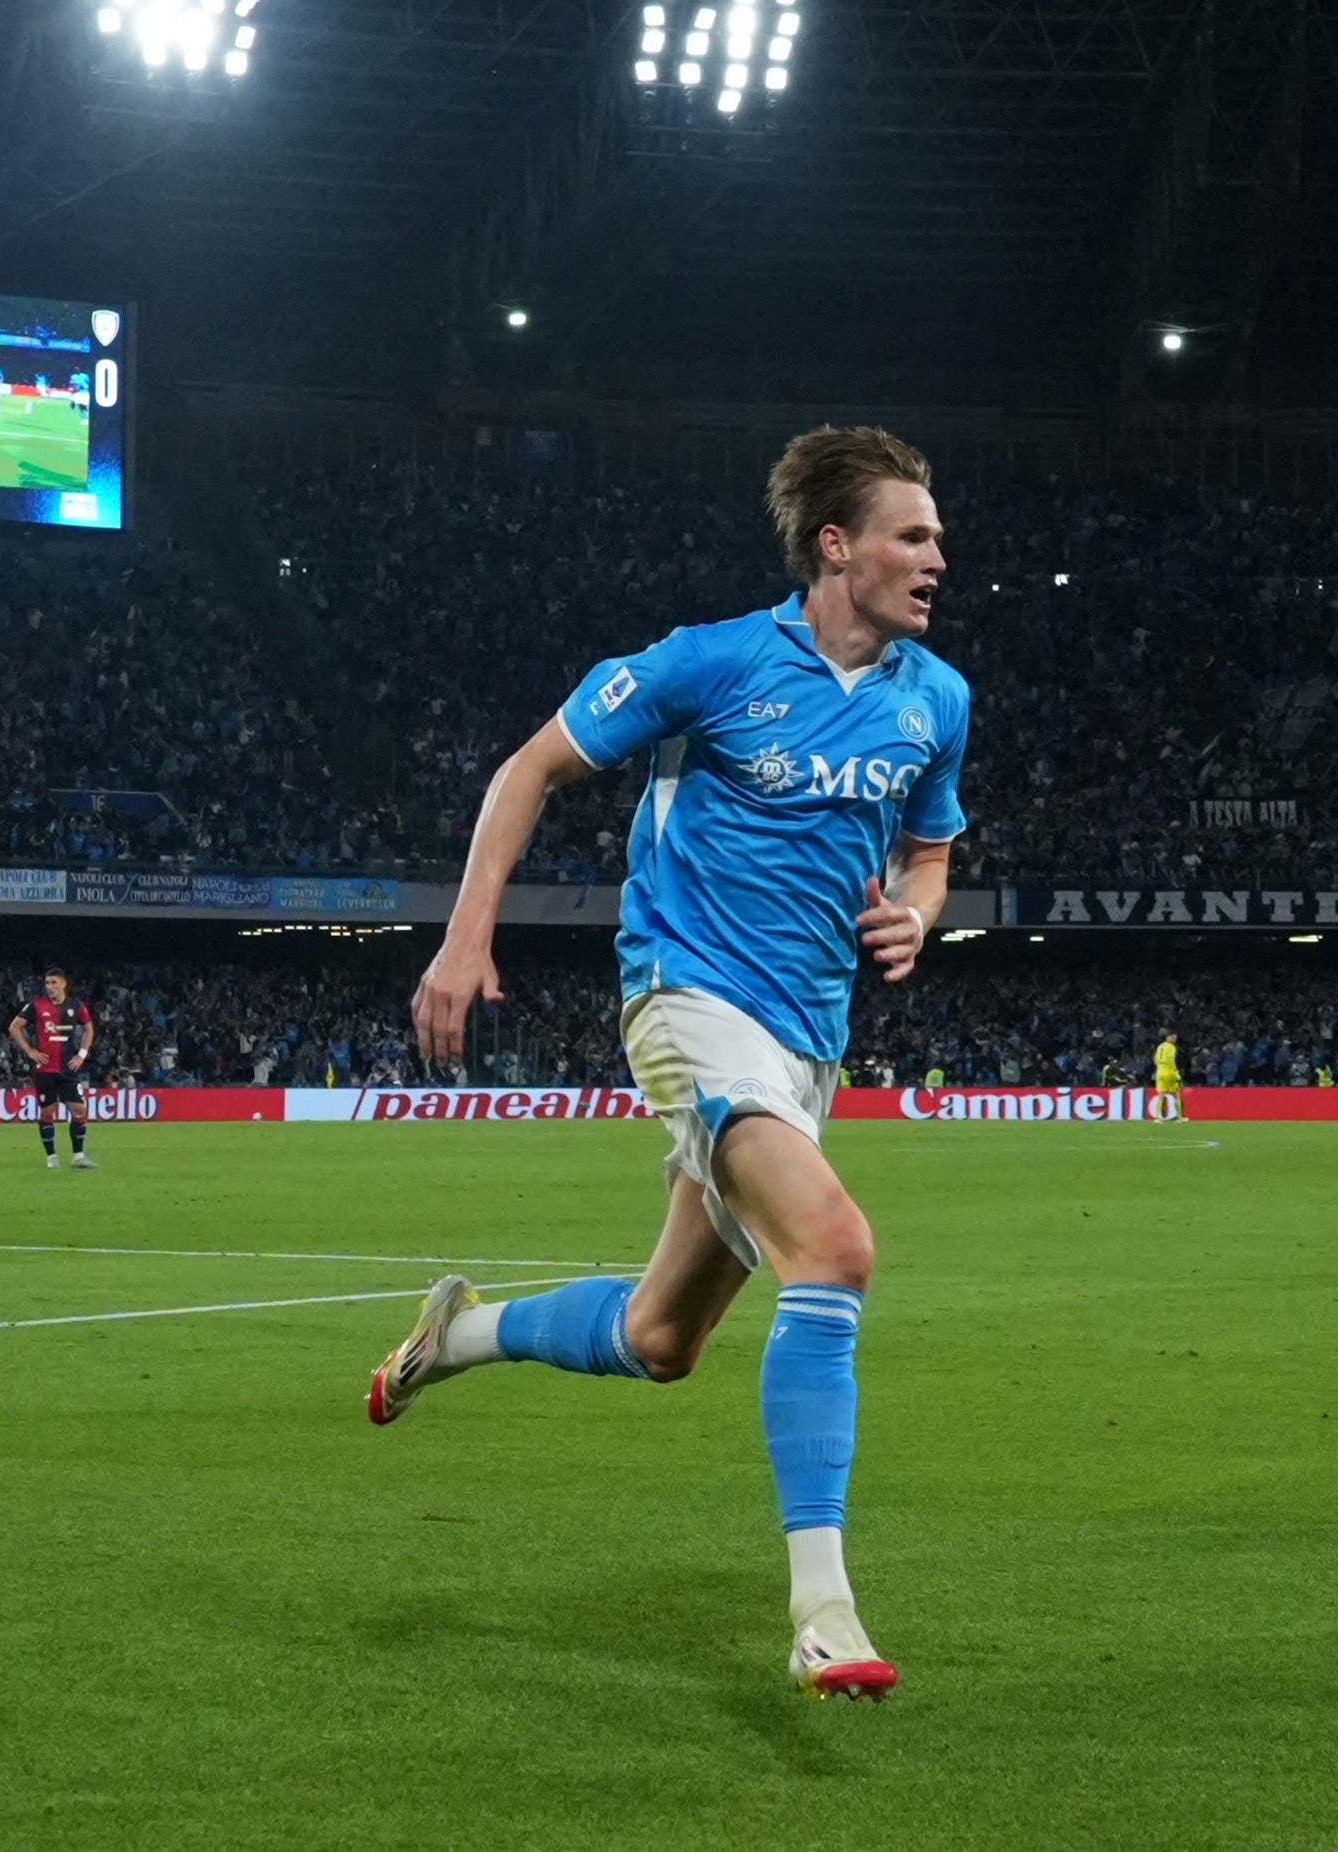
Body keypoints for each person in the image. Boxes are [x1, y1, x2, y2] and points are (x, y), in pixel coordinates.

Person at [380, 425, 970, 1702]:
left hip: (810, 1042)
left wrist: (916, 911)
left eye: (934, 535)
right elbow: (528, 769)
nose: (937, 555)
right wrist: (463, 936)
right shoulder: (706, 665)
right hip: (688, 999)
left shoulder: (936, 697)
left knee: (660, 1339)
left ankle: (458, 1335)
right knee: (837, 1250)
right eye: (912, 534)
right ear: (836, 545)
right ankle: (824, 1609)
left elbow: (929, 850)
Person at [12, 968, 102, 1167]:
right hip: (45, 1069)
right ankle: (51, 1157)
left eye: (53, 982)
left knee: (79, 1109)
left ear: (63, 983)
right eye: (47, 983)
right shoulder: (36, 1005)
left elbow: (89, 1029)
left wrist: (82, 1054)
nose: (49, 987)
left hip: (68, 1068)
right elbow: (14, 1027)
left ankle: (78, 1157)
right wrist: (30, 1051)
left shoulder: (76, 1006)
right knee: (48, 1112)